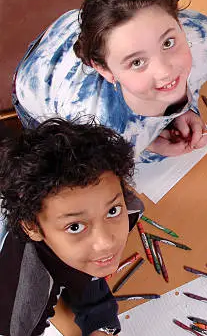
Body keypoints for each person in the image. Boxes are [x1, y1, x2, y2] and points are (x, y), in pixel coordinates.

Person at [13, 0, 207, 163]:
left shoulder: (206, 39)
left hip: (77, 28)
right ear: (106, 71)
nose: (165, 71)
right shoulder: (95, 130)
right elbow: (99, 169)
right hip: (37, 81)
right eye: (137, 62)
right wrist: (149, 148)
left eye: (168, 43)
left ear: (179, 23)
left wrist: (186, 109)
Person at [0, 118, 144, 336]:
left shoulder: (122, 204)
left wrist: (101, 324)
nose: (106, 243)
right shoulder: (18, 304)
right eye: (75, 226)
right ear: (33, 228)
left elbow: (80, 276)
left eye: (112, 211)